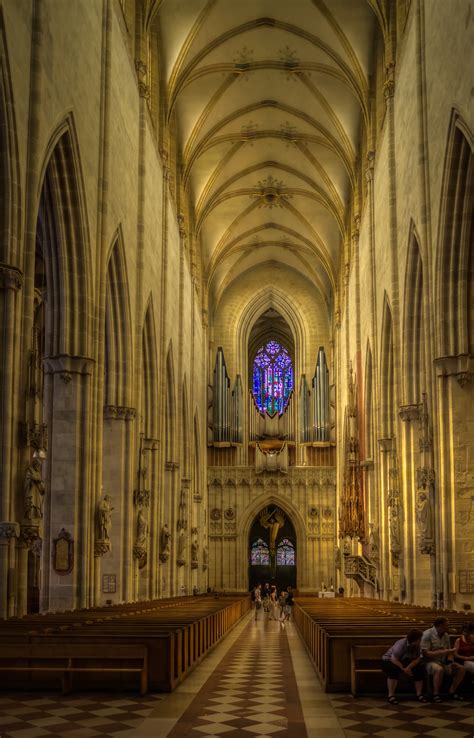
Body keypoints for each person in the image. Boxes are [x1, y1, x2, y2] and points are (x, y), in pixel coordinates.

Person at [421, 616, 466, 701]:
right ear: (440, 625)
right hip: (429, 662)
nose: (448, 627)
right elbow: (426, 654)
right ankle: (435, 694)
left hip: (443, 661)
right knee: (439, 670)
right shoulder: (427, 634)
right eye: (447, 625)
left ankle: (451, 692)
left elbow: (449, 652)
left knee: (461, 669)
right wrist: (441, 652)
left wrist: (450, 662)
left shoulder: (445, 635)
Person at [382, 629, 427, 704]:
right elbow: (394, 659)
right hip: (389, 660)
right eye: (419, 639)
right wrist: (404, 669)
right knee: (393, 670)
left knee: (420, 668)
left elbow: (417, 658)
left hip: (406, 661)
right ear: (414, 639)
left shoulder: (418, 645)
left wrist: (409, 667)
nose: (421, 640)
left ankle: (419, 694)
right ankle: (391, 695)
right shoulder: (401, 644)